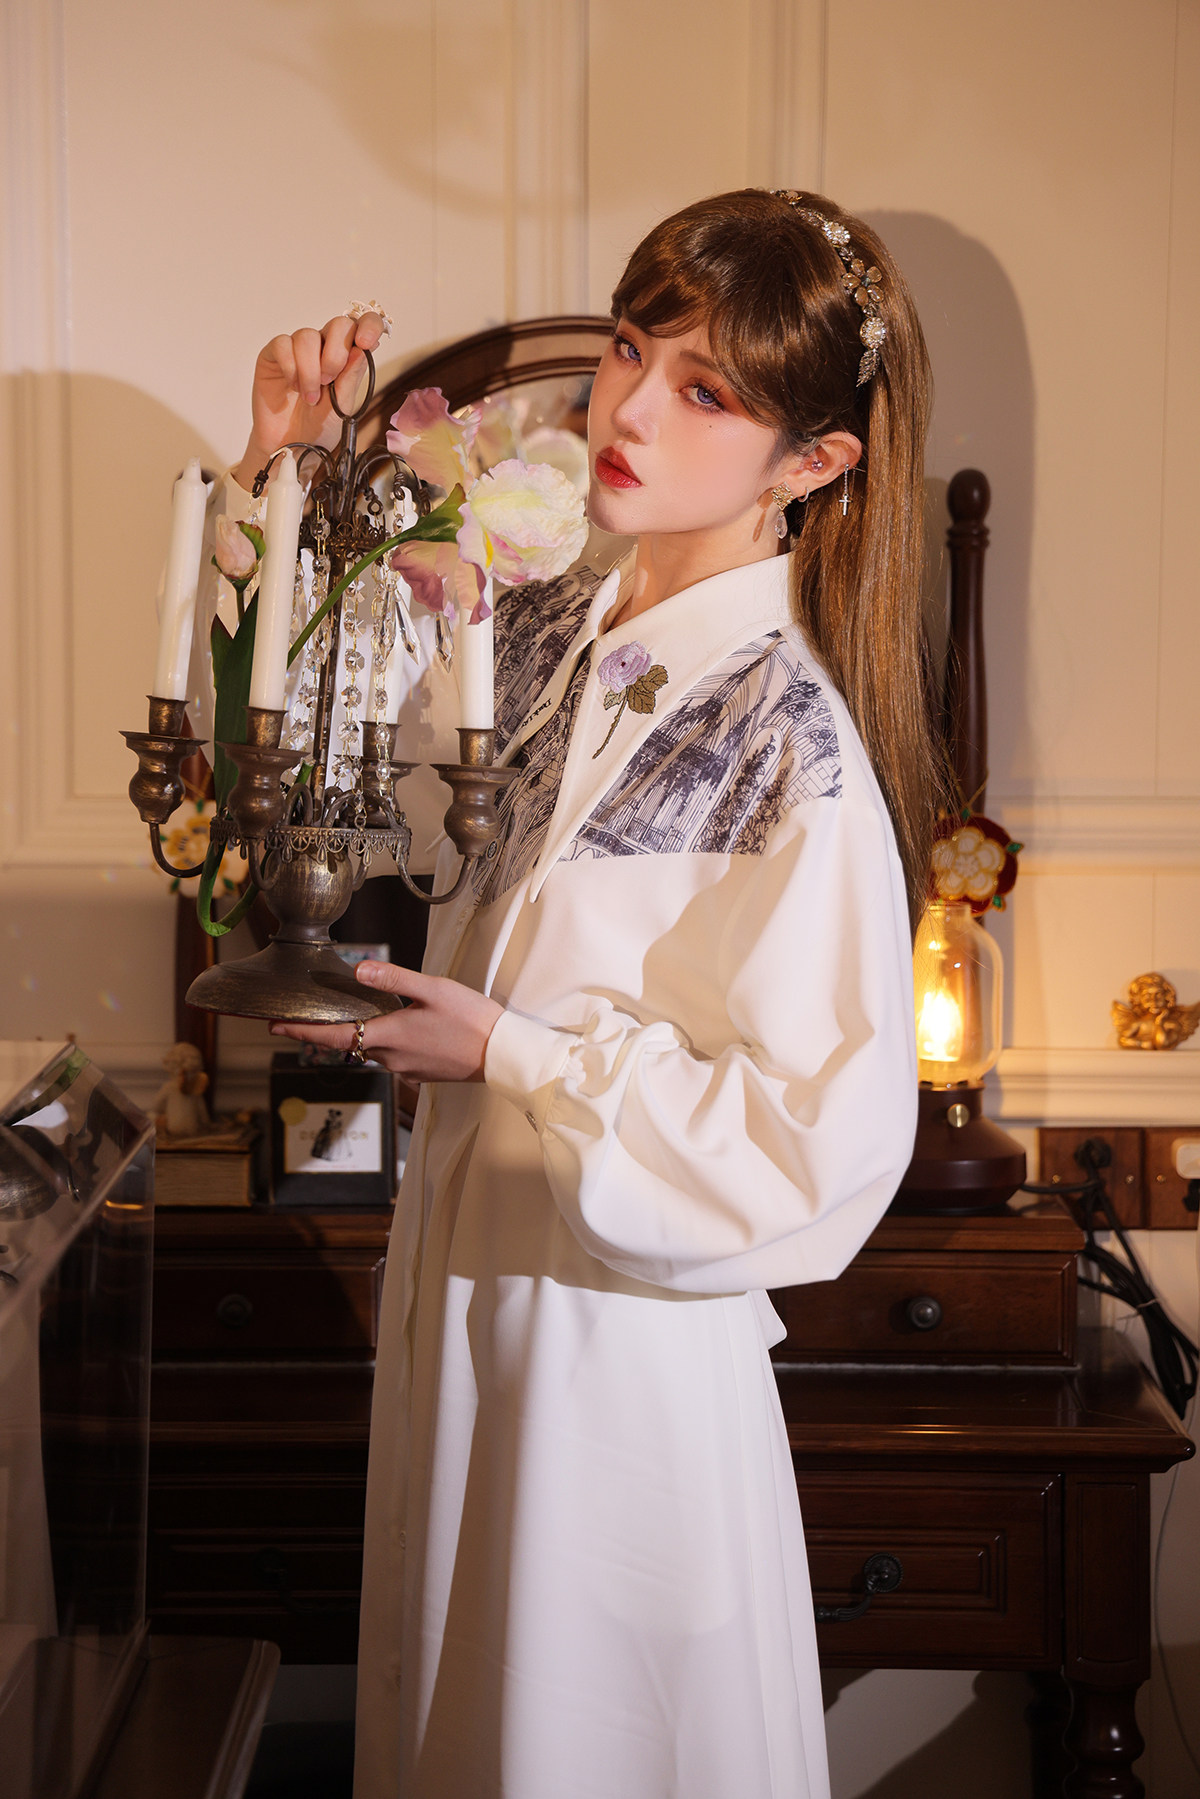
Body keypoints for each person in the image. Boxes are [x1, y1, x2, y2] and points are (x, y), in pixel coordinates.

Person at [231, 188, 935, 1798]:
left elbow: (816, 1151)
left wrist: (515, 1054)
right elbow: (323, 780)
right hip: (467, 1291)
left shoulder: (792, 748)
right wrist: (287, 474)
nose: (628, 410)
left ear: (813, 462)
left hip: (617, 1353)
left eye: (707, 391)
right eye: (630, 349)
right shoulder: (544, 632)